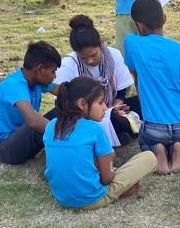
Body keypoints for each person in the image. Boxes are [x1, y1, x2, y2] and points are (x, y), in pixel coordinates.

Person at [42, 77, 156, 209]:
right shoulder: (94, 129)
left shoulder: (50, 126)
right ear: (82, 103)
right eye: (100, 102)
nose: (105, 108)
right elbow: (107, 179)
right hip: (92, 199)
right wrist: (110, 163)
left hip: (61, 198)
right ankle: (122, 189)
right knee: (149, 157)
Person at [123, 0, 180, 175]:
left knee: (145, 139)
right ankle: (178, 147)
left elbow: (135, 74)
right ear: (164, 18)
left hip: (154, 129)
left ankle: (158, 150)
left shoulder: (132, 43)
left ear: (139, 25)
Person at [52, 14, 138, 145]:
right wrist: (91, 113)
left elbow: (122, 91)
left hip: (110, 109)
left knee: (141, 105)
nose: (90, 61)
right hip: (83, 116)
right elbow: (64, 100)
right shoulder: (69, 64)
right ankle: (115, 133)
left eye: (94, 55)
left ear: (100, 44)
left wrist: (113, 108)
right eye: (84, 58)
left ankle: (115, 131)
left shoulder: (114, 55)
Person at [0, 41, 62, 165]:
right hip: (5, 149)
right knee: (36, 123)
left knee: (67, 107)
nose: (54, 76)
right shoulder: (15, 85)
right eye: (53, 71)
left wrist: (82, 90)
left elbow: (62, 91)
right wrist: (66, 135)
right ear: (40, 69)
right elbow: (33, 122)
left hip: (23, 138)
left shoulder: (35, 81)